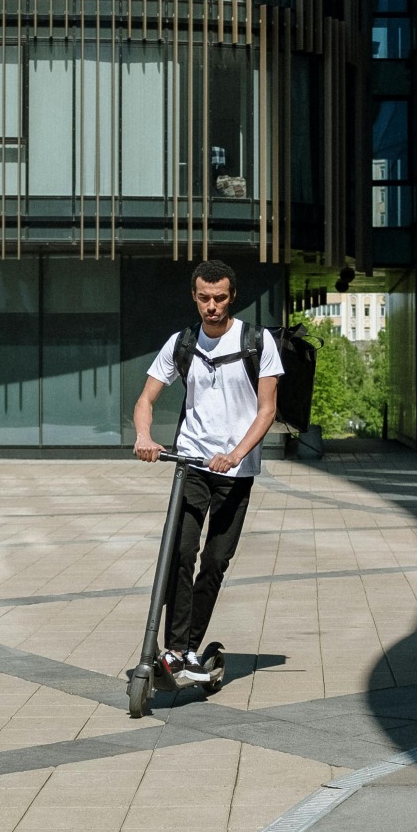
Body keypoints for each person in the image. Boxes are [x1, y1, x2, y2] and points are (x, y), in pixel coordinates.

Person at [133, 259, 282, 688]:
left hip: (237, 469)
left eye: (219, 298)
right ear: (194, 296)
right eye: (204, 298)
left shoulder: (258, 341)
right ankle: (176, 650)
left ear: (231, 296)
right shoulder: (182, 342)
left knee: (215, 560)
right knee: (180, 552)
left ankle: (192, 647)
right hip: (192, 463)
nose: (212, 306)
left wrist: (235, 453)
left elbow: (267, 409)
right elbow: (146, 398)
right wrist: (145, 436)